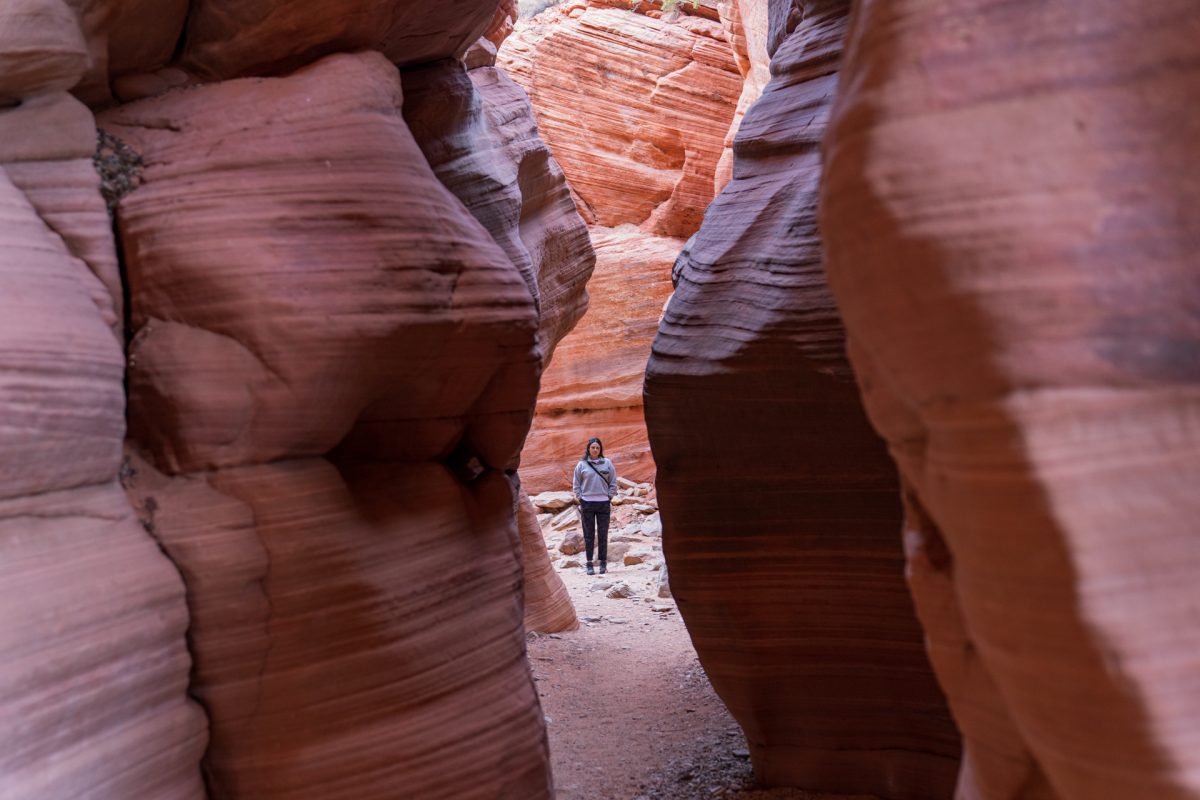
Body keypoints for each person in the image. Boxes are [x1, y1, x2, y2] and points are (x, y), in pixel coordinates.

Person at [572, 436, 618, 575]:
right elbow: (576, 484)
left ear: (600, 449)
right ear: (588, 449)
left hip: (603, 503)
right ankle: (589, 564)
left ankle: (603, 563)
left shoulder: (607, 463)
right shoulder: (581, 465)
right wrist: (581, 498)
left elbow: (613, 482)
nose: (595, 450)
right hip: (587, 503)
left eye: (597, 447)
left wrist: (609, 496)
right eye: (593, 447)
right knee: (588, 535)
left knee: (603, 534)